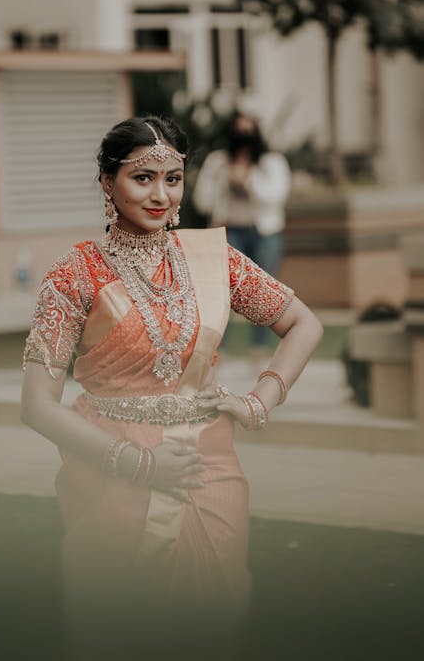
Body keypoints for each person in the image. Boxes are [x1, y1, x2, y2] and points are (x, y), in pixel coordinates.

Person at [21, 116, 322, 660]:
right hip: (110, 470)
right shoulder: (74, 275)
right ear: (107, 182)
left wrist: (258, 400)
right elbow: (37, 406)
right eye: (143, 178)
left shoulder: (213, 260)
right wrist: (138, 464)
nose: (161, 194)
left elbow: (305, 324)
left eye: (173, 178)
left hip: (208, 469)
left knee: (212, 624)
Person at [193, 112, 291, 354]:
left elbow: (276, 197)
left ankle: (259, 348)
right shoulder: (217, 162)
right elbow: (202, 201)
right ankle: (218, 349)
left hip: (264, 233)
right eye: (239, 132)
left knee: (263, 291)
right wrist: (225, 178)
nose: (243, 139)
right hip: (229, 231)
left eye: (248, 133)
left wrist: (247, 181)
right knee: (222, 291)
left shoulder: (272, 163)